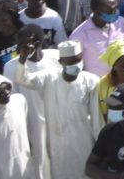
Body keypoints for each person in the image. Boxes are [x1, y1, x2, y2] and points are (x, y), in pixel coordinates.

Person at [29, 39, 103, 179]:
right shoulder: (50, 78)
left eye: (78, 60)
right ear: (61, 62)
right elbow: (22, 79)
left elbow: (97, 120)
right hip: (59, 145)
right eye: (71, 62)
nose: (76, 65)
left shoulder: (91, 81)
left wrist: (102, 148)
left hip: (83, 143)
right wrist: (22, 59)